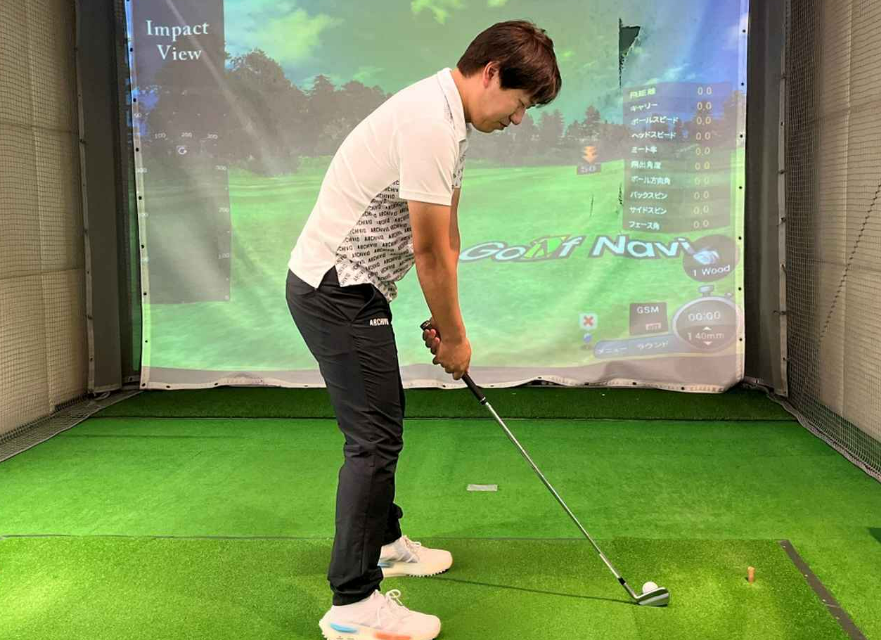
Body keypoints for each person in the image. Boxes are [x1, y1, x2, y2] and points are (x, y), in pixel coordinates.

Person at [285, 19, 561, 640]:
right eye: (520, 102)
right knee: (373, 440)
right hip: (336, 288)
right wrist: (457, 341)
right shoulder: (430, 121)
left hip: (353, 287)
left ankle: (384, 545)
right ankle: (353, 606)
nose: (519, 119)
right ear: (491, 73)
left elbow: (448, 234)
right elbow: (428, 251)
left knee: (381, 427)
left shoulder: (451, 117)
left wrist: (446, 320)